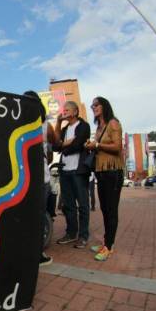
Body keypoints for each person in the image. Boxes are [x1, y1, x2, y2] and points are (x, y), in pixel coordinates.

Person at [84, 97, 124, 261]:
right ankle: (107, 244)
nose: (93, 107)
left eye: (96, 105)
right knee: (105, 209)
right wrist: (91, 145)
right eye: (92, 105)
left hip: (113, 172)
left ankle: (109, 246)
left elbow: (117, 147)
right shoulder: (99, 127)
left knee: (111, 210)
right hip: (101, 172)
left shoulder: (113, 123)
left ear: (104, 106)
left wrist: (97, 146)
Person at [53, 101, 91, 249]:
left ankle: (83, 236)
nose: (64, 112)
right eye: (64, 110)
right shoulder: (64, 129)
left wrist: (66, 145)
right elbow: (56, 146)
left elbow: (78, 145)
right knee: (68, 205)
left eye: (67, 110)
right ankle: (71, 233)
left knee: (82, 204)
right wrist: (57, 123)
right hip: (65, 170)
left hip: (78, 170)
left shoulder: (84, 126)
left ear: (75, 112)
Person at [25, 91, 54, 266]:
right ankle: (38, 254)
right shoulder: (45, 126)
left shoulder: (19, 122)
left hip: (25, 178)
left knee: (27, 216)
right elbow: (53, 147)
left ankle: (28, 251)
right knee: (39, 216)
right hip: (41, 177)